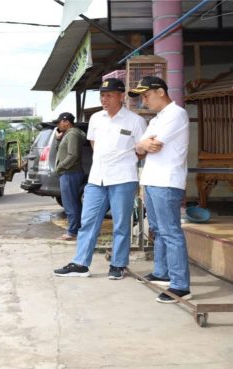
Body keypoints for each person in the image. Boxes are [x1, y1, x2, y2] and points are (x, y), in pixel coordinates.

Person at [54, 78, 147, 280]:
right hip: (97, 179)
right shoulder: (96, 118)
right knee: (88, 222)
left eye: (109, 95)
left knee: (121, 223)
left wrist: (122, 161)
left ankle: (118, 264)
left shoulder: (135, 121)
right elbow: (95, 145)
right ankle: (80, 264)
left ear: (121, 96)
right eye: (102, 95)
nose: (104, 99)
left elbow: (141, 151)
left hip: (123, 178)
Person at [130, 76, 191, 303]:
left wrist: (143, 145)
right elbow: (140, 146)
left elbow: (153, 146)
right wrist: (142, 145)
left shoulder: (176, 114)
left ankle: (180, 285)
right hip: (153, 180)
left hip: (167, 181)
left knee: (170, 231)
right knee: (157, 228)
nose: (144, 100)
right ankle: (162, 272)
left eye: (146, 95)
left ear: (161, 92)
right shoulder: (157, 119)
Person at [53, 112, 86, 241]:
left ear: (66, 121)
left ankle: (72, 232)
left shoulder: (72, 134)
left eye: (59, 122)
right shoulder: (70, 134)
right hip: (70, 173)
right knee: (74, 203)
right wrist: (58, 139)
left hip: (69, 173)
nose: (58, 125)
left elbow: (73, 155)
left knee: (70, 204)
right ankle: (77, 230)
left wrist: (59, 167)